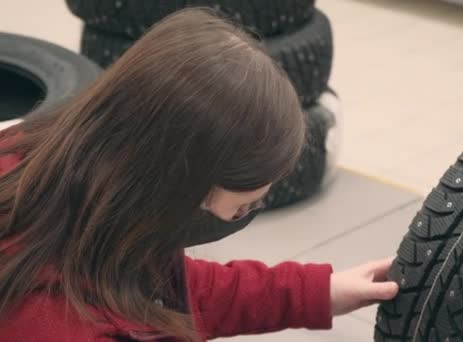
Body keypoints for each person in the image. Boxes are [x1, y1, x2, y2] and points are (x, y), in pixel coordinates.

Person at [0, 8, 399, 342]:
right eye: (241, 208)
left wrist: (317, 293)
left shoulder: (74, 184)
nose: (248, 214)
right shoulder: (52, 323)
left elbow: (174, 292)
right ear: (177, 188)